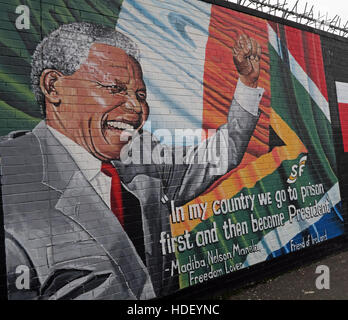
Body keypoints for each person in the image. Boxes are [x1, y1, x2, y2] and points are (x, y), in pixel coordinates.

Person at [0, 23, 264, 300]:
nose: (137, 108)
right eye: (115, 88)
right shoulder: (12, 176)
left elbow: (218, 156)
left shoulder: (142, 153)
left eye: (140, 95)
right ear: (54, 86)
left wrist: (247, 84)